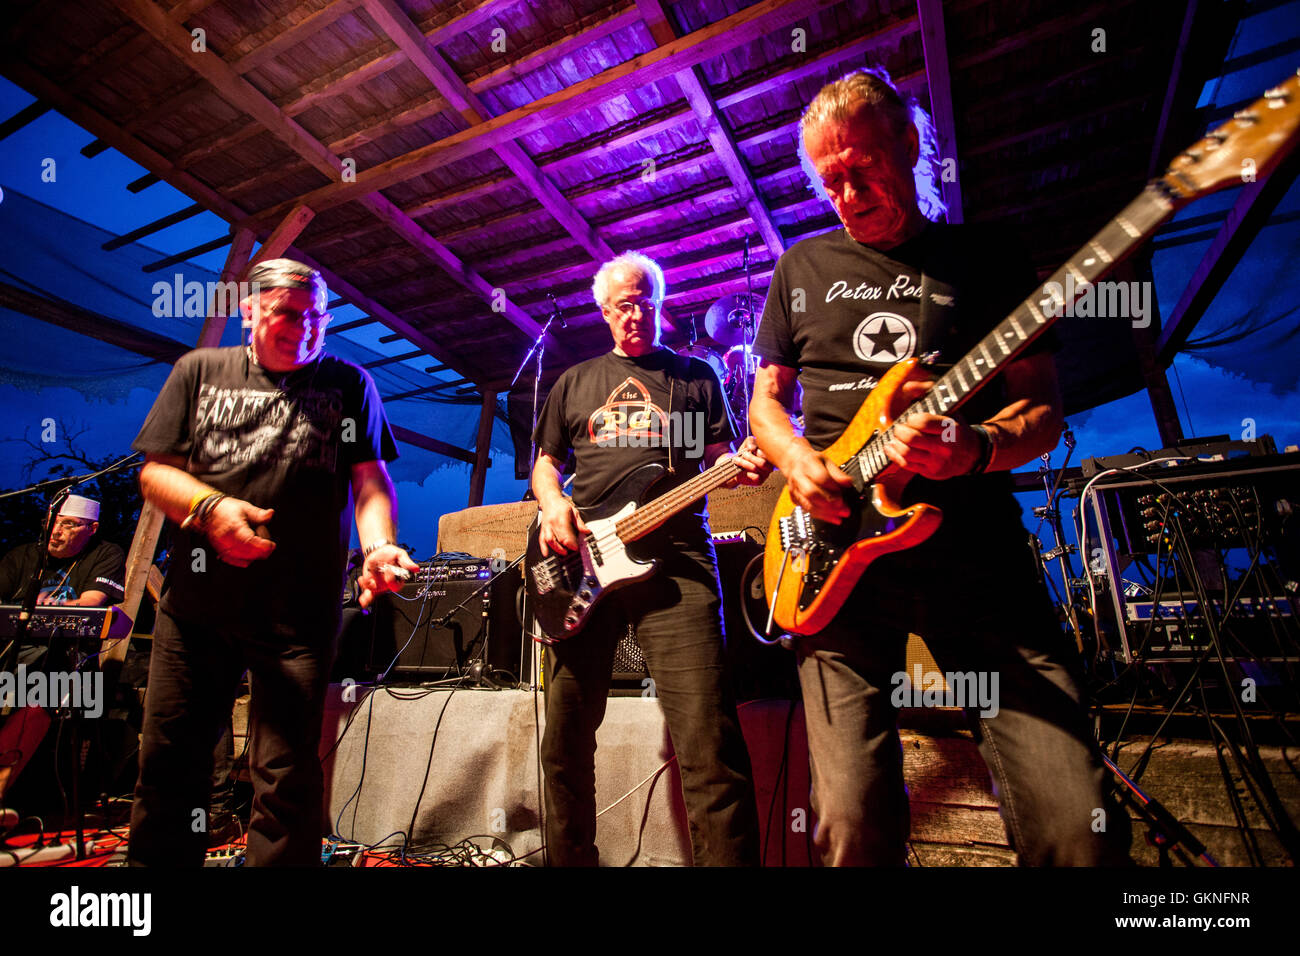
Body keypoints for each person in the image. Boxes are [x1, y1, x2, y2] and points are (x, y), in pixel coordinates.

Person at [749, 68, 1131, 866]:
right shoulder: (799, 269)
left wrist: (979, 447)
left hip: (977, 554)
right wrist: (797, 459)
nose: (846, 194)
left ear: (911, 145)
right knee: (851, 825)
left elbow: (1041, 408)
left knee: (1074, 822)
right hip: (830, 562)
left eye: (861, 169)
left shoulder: (986, 257)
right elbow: (765, 406)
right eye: (829, 181)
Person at [126, 258, 418, 866]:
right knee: (170, 762)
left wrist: (379, 547)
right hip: (197, 609)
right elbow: (154, 473)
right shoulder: (200, 370)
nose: (302, 327)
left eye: (315, 316)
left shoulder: (349, 384)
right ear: (249, 311)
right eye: (287, 312)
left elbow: (369, 481)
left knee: (285, 775)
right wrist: (209, 507)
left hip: (298, 615)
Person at [532, 252, 768, 866]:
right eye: (621, 305)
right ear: (604, 312)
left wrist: (735, 469)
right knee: (564, 740)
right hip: (585, 564)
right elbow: (546, 463)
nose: (634, 313)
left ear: (660, 303)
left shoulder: (692, 378)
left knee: (709, 741)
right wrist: (553, 502)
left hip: (680, 563)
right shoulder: (575, 382)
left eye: (644, 300)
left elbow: (711, 458)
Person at [0, 494, 125, 609]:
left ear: (92, 528)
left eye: (68, 524)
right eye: (51, 522)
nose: (55, 531)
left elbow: (92, 601)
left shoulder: (105, 553)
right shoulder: (20, 555)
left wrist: (56, 605)